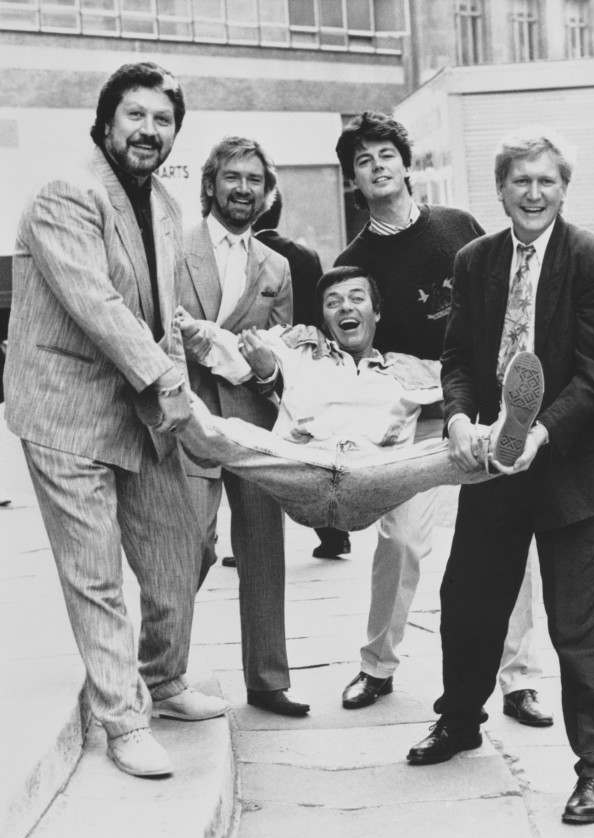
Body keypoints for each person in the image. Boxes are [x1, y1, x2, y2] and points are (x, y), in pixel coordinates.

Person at [406, 127, 594, 826]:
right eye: (520, 181)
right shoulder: (476, 261)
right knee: (469, 604)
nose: (532, 193)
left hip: (569, 467)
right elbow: (454, 360)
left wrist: (540, 431)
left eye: (546, 181)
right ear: (500, 189)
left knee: (579, 628)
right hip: (491, 464)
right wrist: (454, 421)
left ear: (563, 189)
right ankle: (459, 722)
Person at [3, 62, 226, 779]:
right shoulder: (65, 191)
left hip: (139, 406)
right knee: (94, 572)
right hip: (64, 409)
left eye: (163, 121)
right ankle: (122, 717)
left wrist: (181, 390)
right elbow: (97, 304)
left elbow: (159, 318)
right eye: (136, 116)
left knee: (180, 546)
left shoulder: (163, 202)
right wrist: (167, 383)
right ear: (106, 123)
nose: (149, 131)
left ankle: (162, 681)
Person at [333, 111, 552, 728]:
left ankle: (520, 679)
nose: (377, 167)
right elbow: (352, 343)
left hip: (486, 409)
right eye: (363, 162)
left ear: (405, 163)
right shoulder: (354, 259)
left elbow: (508, 294)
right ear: (354, 180)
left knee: (509, 542)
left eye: (385, 155)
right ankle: (377, 665)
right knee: (399, 540)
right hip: (414, 419)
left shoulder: (459, 227)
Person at [175, 268, 544, 527]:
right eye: (333, 302)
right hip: (300, 466)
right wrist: (191, 329)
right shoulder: (298, 346)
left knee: (455, 448)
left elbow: (466, 383)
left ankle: (500, 444)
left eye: (356, 298)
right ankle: (169, 395)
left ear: (376, 312)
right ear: (323, 316)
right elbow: (227, 347)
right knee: (233, 435)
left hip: (374, 475)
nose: (345, 307)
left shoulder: (410, 370)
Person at [180, 136, 309, 717]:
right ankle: (164, 673)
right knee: (188, 549)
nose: (242, 188)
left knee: (262, 547)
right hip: (187, 415)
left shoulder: (276, 267)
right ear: (210, 185)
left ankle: (268, 679)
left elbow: (283, 362)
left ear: (266, 191)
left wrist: (262, 369)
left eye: (254, 180)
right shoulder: (173, 248)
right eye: (231, 177)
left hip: (254, 423)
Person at [252, 190, 349, 561]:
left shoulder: (255, 257)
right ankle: (333, 531)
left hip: (267, 360)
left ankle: (258, 541)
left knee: (266, 449)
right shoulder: (305, 254)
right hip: (309, 358)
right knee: (313, 445)